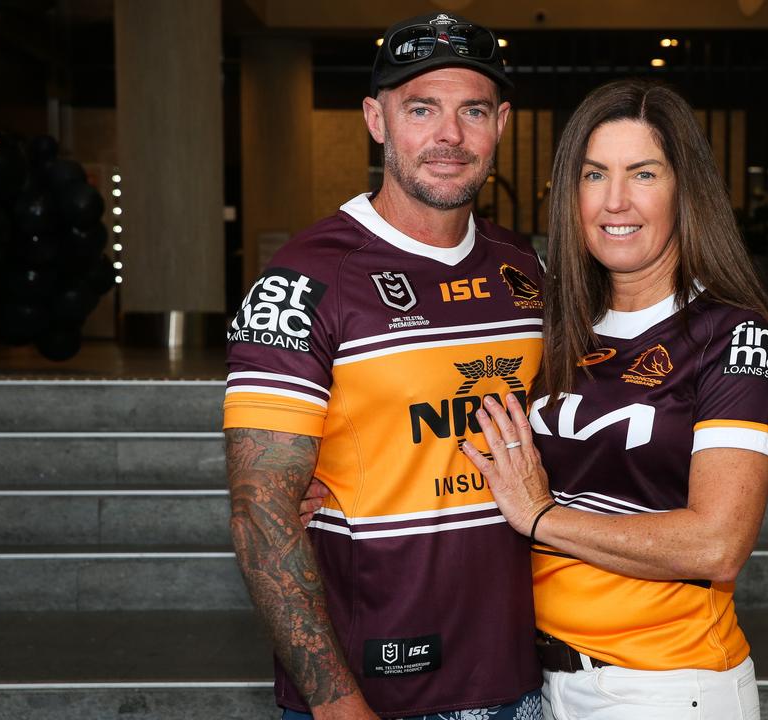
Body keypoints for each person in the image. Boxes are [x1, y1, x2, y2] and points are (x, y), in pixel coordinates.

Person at [224, 13, 545, 720]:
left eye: (474, 111)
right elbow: (259, 515)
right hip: (377, 691)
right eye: (421, 109)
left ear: (503, 123)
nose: (449, 137)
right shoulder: (303, 280)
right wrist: (339, 707)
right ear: (376, 119)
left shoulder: (526, 271)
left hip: (520, 680)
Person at [461, 79, 768, 720]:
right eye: (595, 175)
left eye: (642, 173)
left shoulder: (733, 336)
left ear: (684, 189)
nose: (615, 200)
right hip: (536, 682)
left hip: (664, 687)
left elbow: (717, 543)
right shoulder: (556, 327)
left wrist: (542, 518)